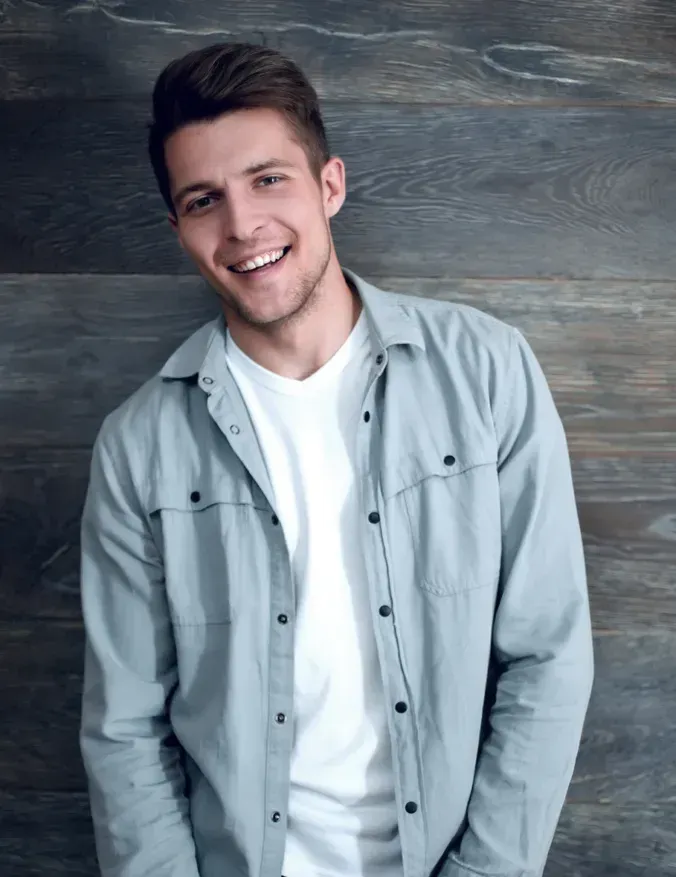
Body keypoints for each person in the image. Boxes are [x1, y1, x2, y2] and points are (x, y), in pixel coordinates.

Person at [79, 42, 595, 877]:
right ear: (179, 230)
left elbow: (549, 653)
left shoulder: (484, 370)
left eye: (268, 179)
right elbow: (124, 729)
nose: (242, 225)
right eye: (204, 200)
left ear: (330, 185)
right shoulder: (138, 446)